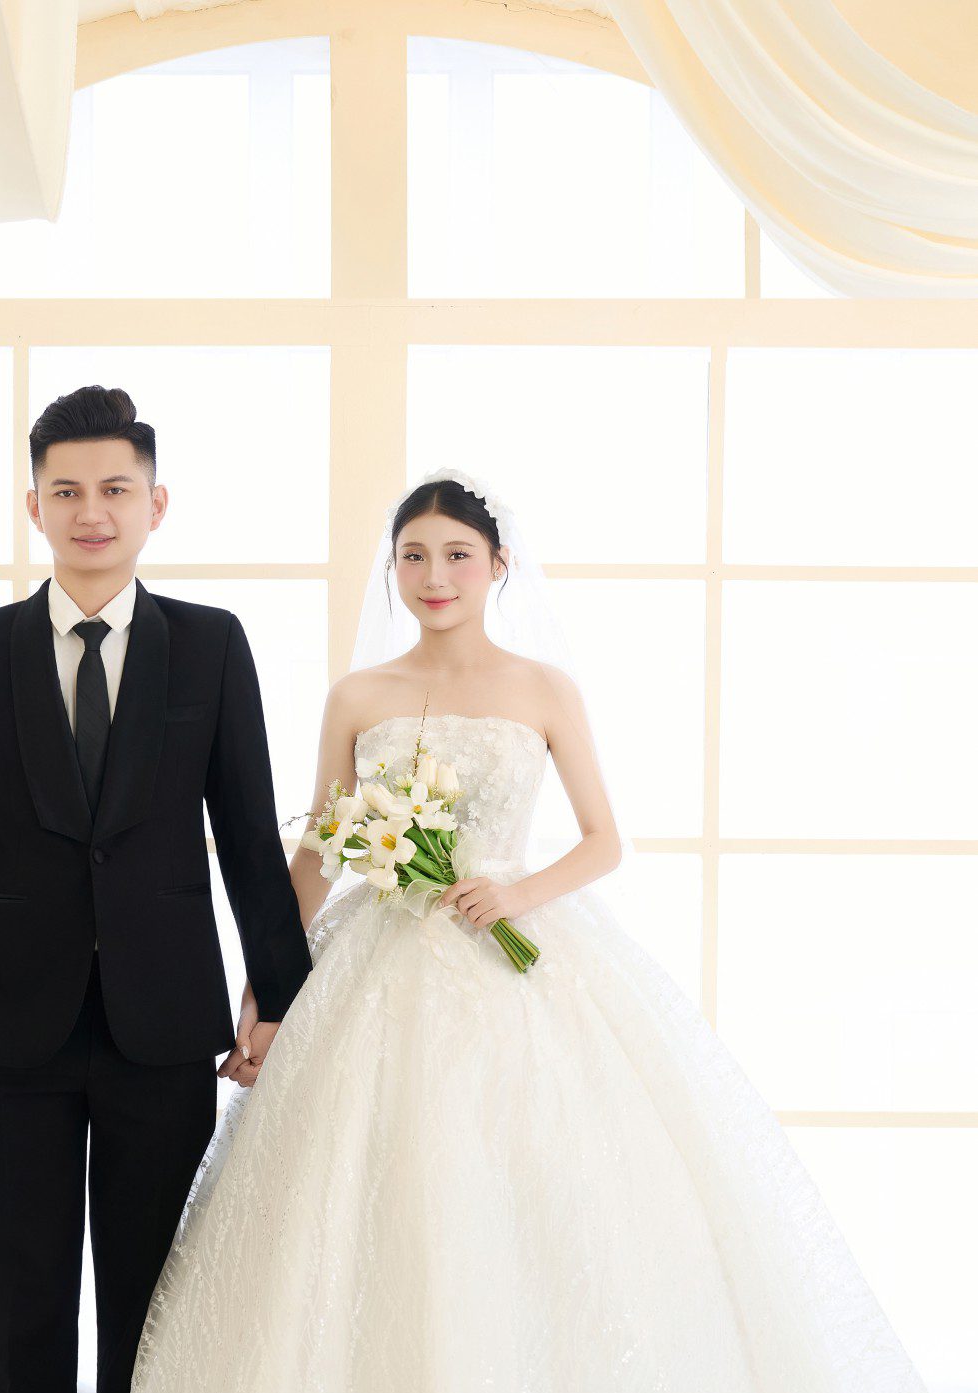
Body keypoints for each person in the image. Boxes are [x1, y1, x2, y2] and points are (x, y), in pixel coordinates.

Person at [129, 467, 928, 1392]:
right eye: (412, 556)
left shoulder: (543, 688)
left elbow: (603, 840)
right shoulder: (357, 695)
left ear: (498, 563)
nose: (434, 576)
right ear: (391, 568)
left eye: (457, 556)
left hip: (514, 960)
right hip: (375, 959)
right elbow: (321, 845)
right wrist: (265, 985)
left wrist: (516, 894)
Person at [0, 384, 312, 1393]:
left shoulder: (211, 645)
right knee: (19, 1297)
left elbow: (249, 836)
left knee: (156, 1301)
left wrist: (280, 999)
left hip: (162, 1021)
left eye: (116, 489)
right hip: (7, 1022)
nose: (92, 511)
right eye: (67, 490)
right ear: (34, 506)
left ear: (155, 504)